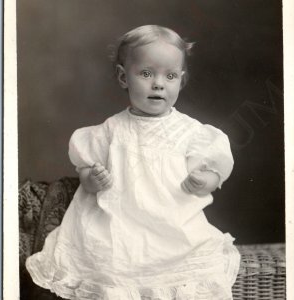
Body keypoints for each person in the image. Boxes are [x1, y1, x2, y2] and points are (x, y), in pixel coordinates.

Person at [26, 25, 240, 300]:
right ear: (123, 77)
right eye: (146, 74)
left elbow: (215, 172)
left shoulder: (191, 133)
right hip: (121, 227)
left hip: (172, 227)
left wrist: (204, 181)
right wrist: (92, 179)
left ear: (181, 80)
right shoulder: (110, 131)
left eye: (170, 76)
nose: (158, 84)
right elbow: (85, 172)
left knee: (188, 266)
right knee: (113, 268)